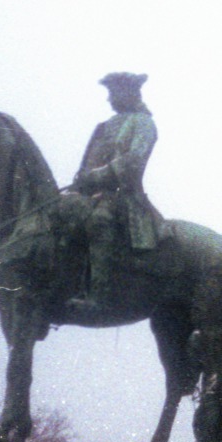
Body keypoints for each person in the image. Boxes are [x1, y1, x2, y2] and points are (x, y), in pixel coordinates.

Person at [64, 71, 162, 309]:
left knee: (99, 221)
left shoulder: (144, 123)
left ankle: (99, 296)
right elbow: (87, 165)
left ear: (130, 93)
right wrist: (80, 182)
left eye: (113, 93)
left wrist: (97, 176)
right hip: (89, 196)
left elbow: (132, 162)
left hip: (123, 199)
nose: (109, 99)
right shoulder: (103, 127)